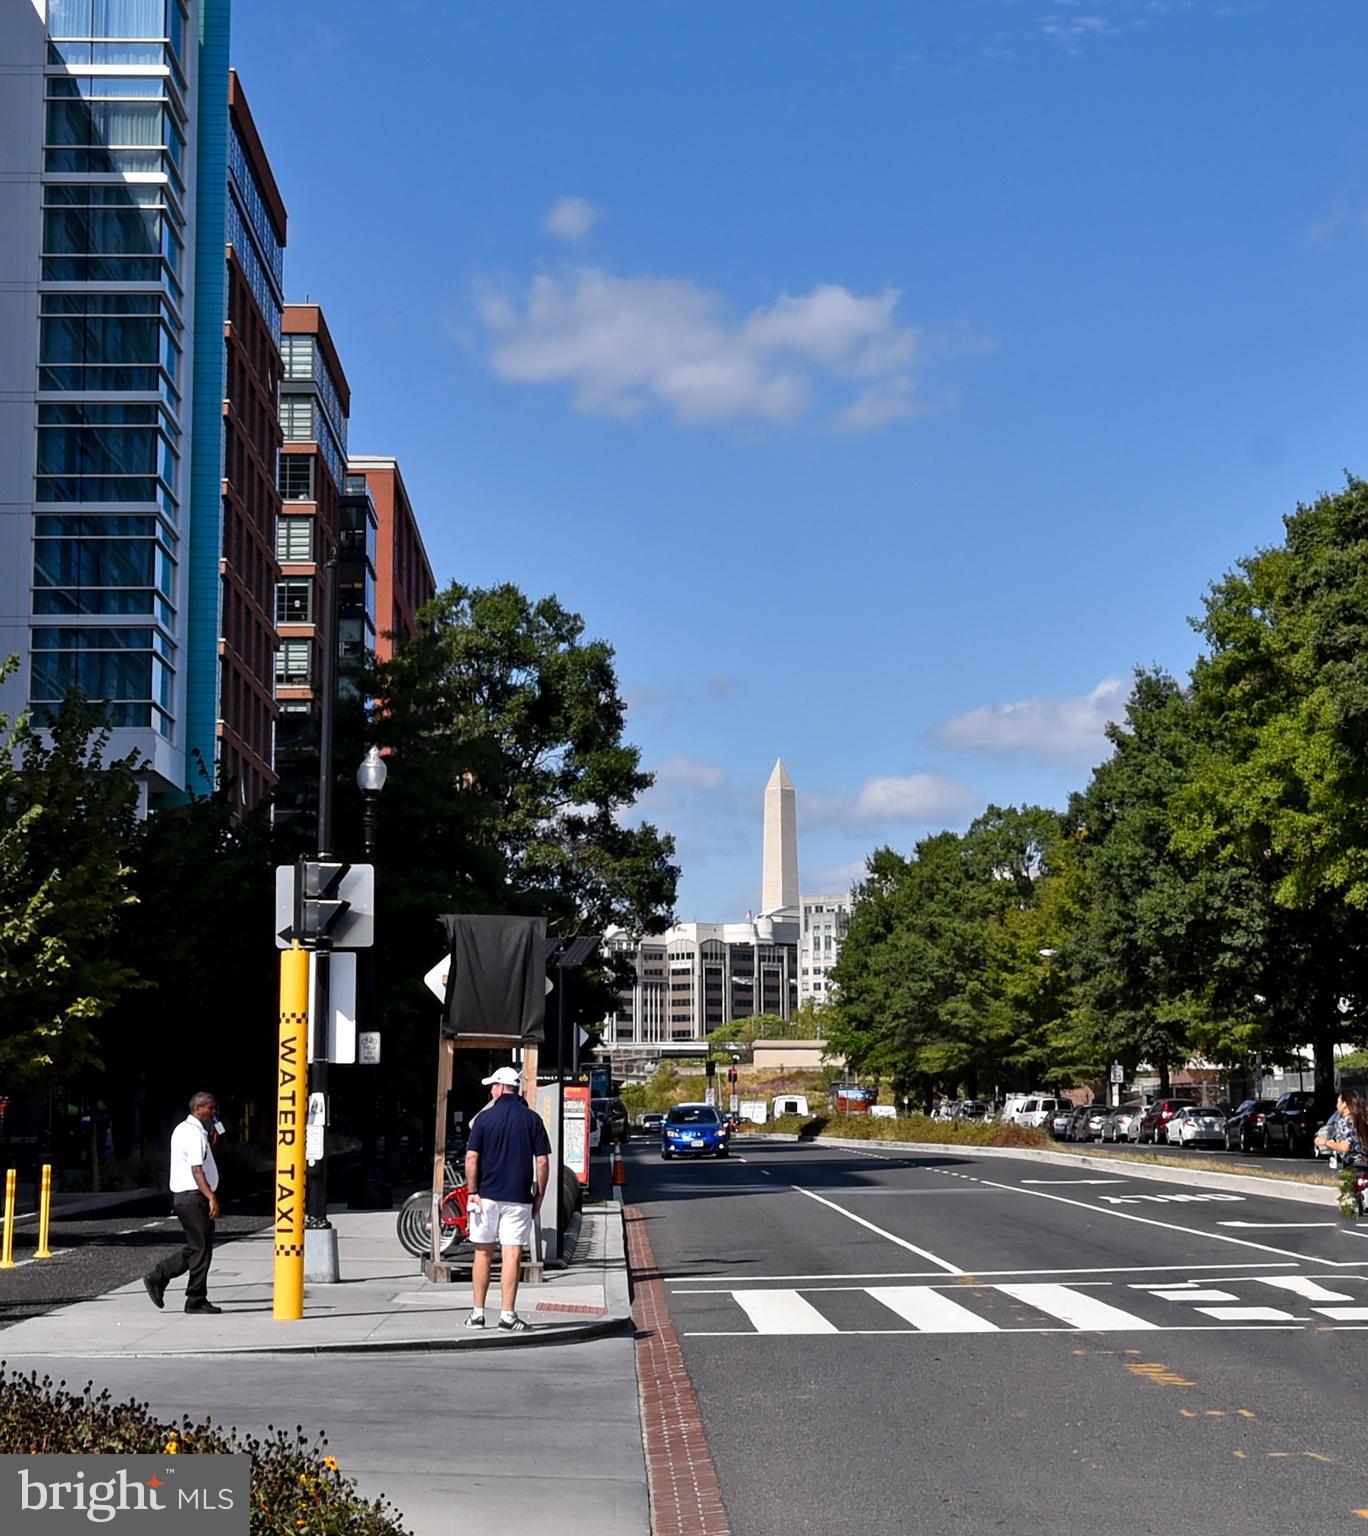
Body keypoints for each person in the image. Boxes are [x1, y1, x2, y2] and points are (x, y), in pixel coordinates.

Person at [463, 1065, 550, 1333]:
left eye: (493, 1086)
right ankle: (508, 1315)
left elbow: (471, 1157)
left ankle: (477, 1314)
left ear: (501, 1088)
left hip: (485, 1196)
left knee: (482, 1251)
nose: (491, 1091)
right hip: (518, 1196)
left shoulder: (483, 1120)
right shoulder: (531, 1119)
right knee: (512, 1254)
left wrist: (472, 1191)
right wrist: (539, 1195)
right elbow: (543, 1161)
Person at [143, 1091, 222, 1315]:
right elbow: (196, 1169)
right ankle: (194, 1298)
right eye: (210, 1107)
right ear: (198, 1109)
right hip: (193, 1196)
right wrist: (211, 1197)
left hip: (187, 1197)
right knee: (202, 1250)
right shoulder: (193, 1133)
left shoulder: (184, 1129)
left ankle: (160, 1277)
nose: (213, 1111)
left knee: (197, 1247)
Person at [1315, 1088, 1368, 1169]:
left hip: (1353, 1166)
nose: (1337, 1105)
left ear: (1344, 1104)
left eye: (1338, 1101)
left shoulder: (1344, 1122)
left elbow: (1345, 1147)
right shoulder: (1360, 1119)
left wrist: (1325, 1142)